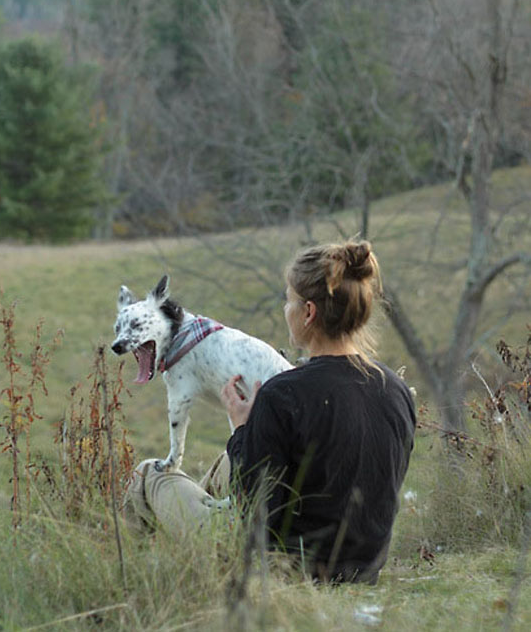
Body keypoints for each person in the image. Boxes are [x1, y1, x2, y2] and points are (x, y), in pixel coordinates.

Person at [124, 240, 416, 585]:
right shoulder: (396, 389)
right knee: (225, 464)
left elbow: (255, 512)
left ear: (308, 312)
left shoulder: (282, 394)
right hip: (363, 570)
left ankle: (145, 587)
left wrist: (241, 429)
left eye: (288, 300)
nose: (285, 309)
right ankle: (184, 562)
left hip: (284, 573)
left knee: (148, 475)